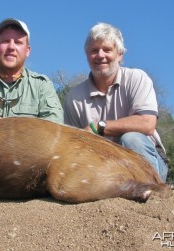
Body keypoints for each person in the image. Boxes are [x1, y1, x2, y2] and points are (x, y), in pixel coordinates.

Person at [64, 22, 168, 182]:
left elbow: (147, 124)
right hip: (104, 167)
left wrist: (99, 127)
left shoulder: (137, 78)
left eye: (107, 49)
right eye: (94, 51)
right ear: (87, 56)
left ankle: (152, 187)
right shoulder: (74, 96)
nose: (100, 55)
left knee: (131, 138)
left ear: (120, 55)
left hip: (147, 160)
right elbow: (72, 143)